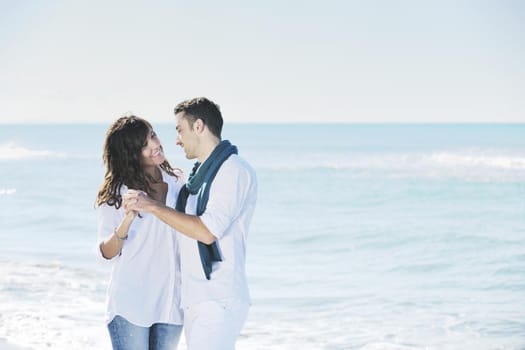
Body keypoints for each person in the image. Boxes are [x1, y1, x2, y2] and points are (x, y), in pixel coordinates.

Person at [123, 97, 258, 350]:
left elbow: (207, 231)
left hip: (219, 297)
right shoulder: (196, 179)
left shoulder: (232, 170)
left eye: (179, 130)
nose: (176, 139)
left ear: (198, 126)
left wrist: (153, 206)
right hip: (195, 299)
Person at [96, 115, 184, 350]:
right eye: (144, 145)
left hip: (170, 302)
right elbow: (107, 251)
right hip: (131, 303)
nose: (154, 145)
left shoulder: (177, 181)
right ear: (130, 154)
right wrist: (128, 218)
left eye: (153, 135)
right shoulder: (117, 192)